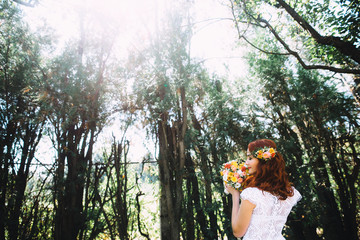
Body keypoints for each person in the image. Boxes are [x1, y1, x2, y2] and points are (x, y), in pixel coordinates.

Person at [225, 139, 301, 240]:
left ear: (263, 162)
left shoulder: (251, 195)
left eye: (250, 158)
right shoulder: (289, 193)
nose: (246, 163)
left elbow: (238, 232)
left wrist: (235, 195)